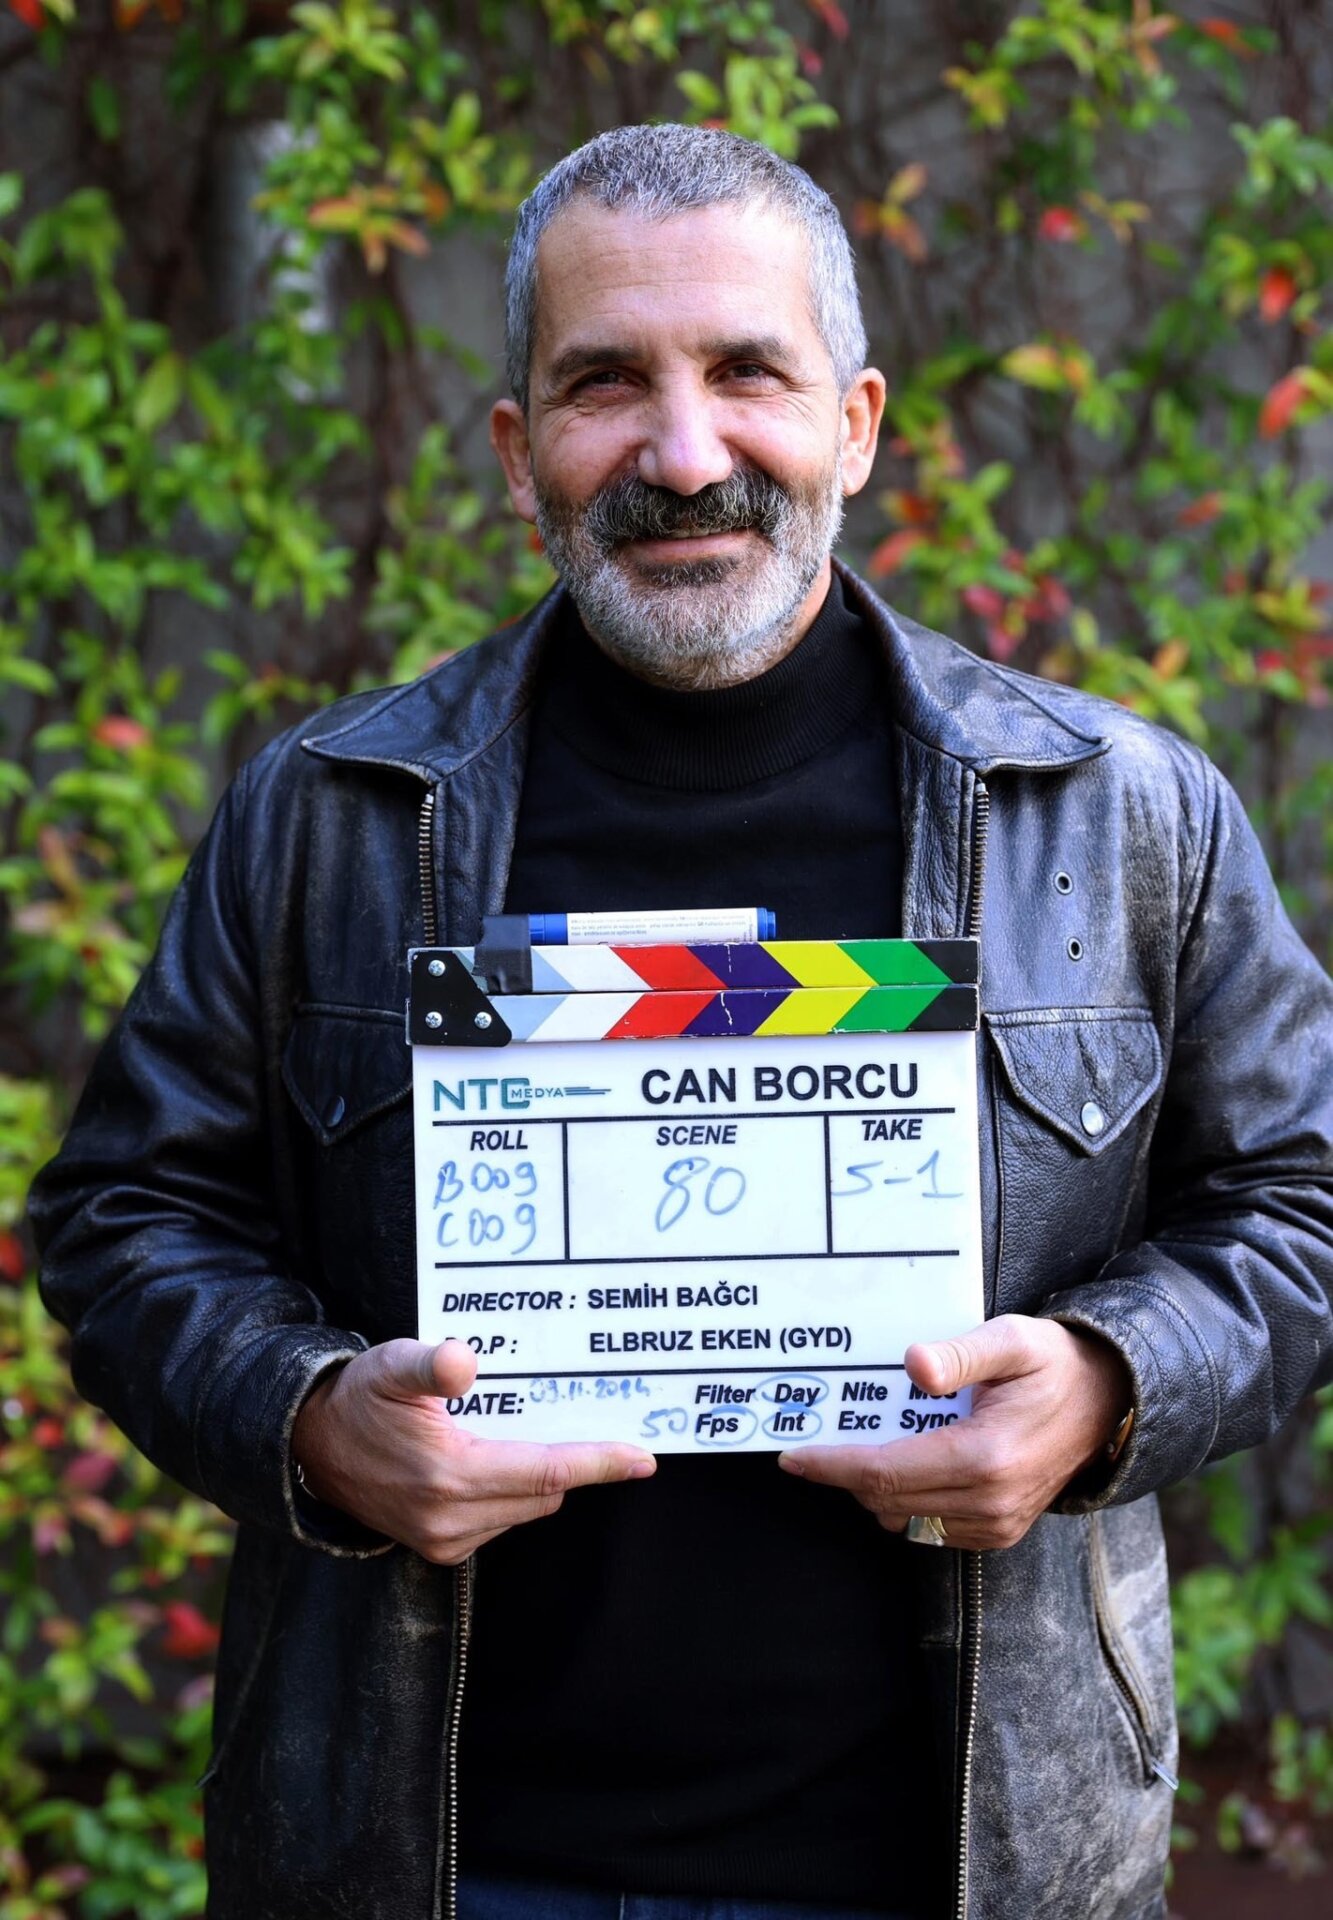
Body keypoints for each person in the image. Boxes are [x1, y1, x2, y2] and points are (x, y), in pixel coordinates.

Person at [30, 123, 1333, 1920]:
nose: (685, 451)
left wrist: (1108, 1384)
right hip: (436, 1861)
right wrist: (313, 1417)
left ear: (853, 425)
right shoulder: (327, 818)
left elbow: (1303, 1199)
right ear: (518, 452)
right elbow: (123, 1215)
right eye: (603, 384)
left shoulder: (1118, 813)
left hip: (958, 1863)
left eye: (746, 372)